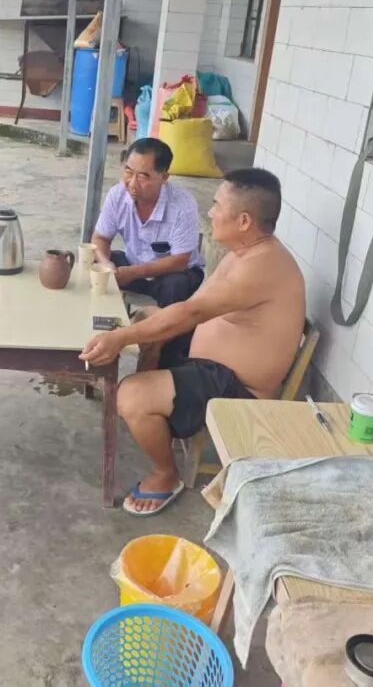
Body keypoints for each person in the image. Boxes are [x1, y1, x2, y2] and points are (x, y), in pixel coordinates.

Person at [80, 168, 305, 516]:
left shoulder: (260, 266)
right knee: (149, 319)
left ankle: (166, 474)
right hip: (211, 366)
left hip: (237, 387)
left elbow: (191, 313)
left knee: (130, 395)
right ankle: (157, 419)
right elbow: (195, 307)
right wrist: (147, 325)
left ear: (244, 221)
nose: (210, 213)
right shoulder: (242, 253)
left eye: (217, 205)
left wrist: (120, 337)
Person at [91, 137, 206, 368]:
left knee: (176, 287)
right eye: (128, 171)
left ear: (164, 177)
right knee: (93, 266)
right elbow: (100, 238)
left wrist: (133, 273)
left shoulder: (182, 205)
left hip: (174, 272)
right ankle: (96, 336)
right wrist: (106, 264)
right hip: (134, 264)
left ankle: (164, 358)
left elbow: (180, 260)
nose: (132, 183)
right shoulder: (117, 195)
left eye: (143, 176)